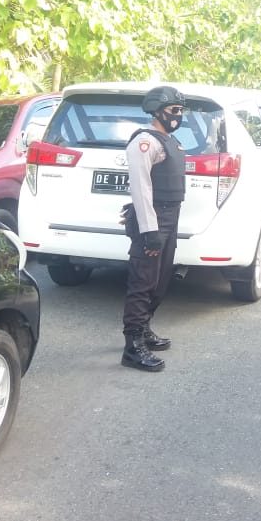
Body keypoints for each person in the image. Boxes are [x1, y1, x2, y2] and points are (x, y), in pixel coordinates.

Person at [119, 85, 187, 372]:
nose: (178, 115)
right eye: (174, 110)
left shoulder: (170, 141)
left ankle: (144, 329)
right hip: (153, 219)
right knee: (143, 282)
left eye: (181, 110)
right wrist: (150, 230)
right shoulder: (144, 142)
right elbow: (141, 188)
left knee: (161, 280)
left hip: (170, 217)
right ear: (157, 111)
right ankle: (132, 346)